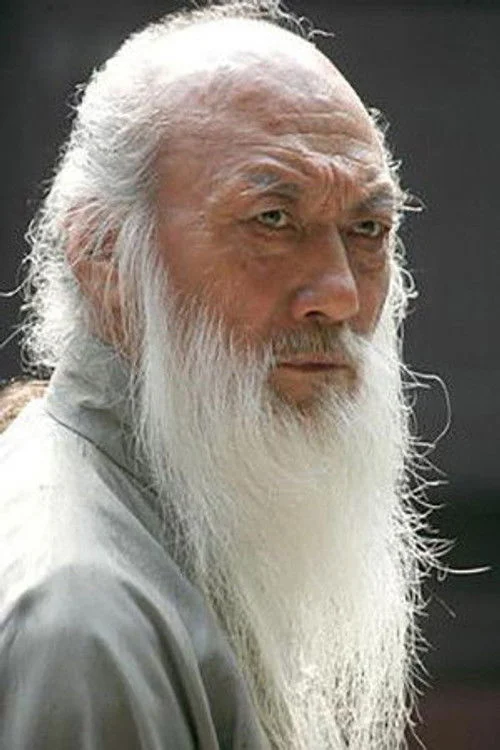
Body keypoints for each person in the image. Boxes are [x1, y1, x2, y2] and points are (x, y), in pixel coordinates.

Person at [0, 1, 436, 748]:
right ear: (104, 258)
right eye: (272, 220)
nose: (340, 293)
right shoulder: (85, 625)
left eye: (367, 229)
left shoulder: (188, 517)